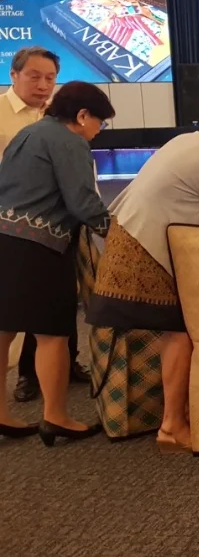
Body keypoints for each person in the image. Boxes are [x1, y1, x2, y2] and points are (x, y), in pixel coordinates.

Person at [87, 97, 199, 451]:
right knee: (181, 331)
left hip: (123, 237)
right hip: (147, 250)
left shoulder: (185, 140)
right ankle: (172, 424)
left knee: (172, 330)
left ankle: (166, 415)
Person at [0, 81, 113, 444]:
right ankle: (56, 416)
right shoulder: (70, 141)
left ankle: (1, 415)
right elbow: (83, 202)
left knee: (2, 331)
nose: (98, 132)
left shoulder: (27, 134)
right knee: (53, 334)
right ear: (82, 116)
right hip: (40, 247)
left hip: (3, 237)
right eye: (100, 123)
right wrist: (119, 234)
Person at [1, 47, 88, 404]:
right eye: (34, 76)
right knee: (18, 312)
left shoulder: (55, 117)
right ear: (14, 75)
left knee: (61, 303)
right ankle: (27, 376)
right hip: (17, 231)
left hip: (60, 226)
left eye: (50, 78)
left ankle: (66, 366)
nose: (42, 85)